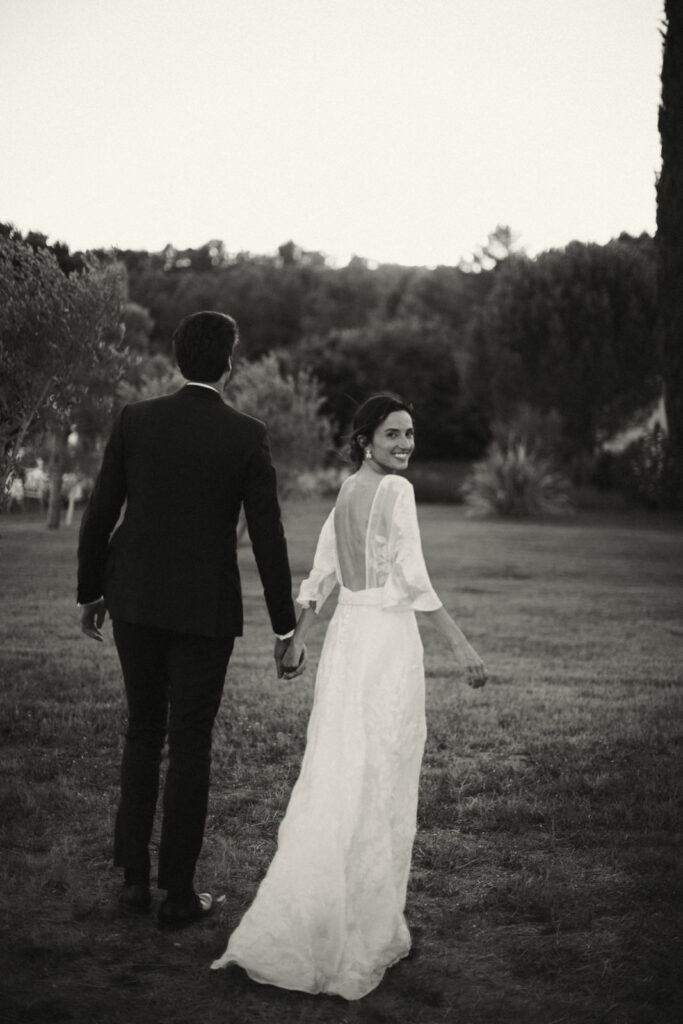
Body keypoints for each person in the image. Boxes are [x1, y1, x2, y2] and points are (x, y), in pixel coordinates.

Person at [211, 392, 486, 999]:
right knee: (381, 778)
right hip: (385, 645)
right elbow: (413, 581)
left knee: (338, 774)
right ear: (365, 440)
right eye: (393, 435)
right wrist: (462, 649)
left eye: (410, 434)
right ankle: (364, 927)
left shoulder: (345, 491)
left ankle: (330, 914)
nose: (405, 445)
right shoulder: (396, 493)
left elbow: (324, 578)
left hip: (347, 643)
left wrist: (297, 640)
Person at [77, 311, 302, 930]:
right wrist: (286, 629)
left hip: (136, 602)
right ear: (228, 363)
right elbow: (268, 537)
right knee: (191, 743)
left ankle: (131, 882)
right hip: (204, 611)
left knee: (143, 731)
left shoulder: (135, 420)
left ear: (178, 359)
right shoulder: (245, 434)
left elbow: (100, 513)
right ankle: (178, 894)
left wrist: (90, 591)